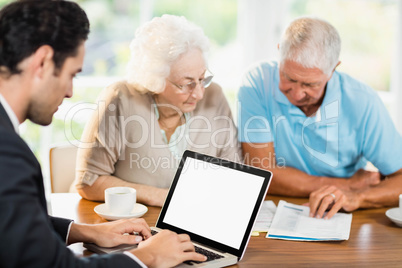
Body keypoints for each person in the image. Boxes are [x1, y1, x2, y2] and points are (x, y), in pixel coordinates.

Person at [0, 1, 206, 267]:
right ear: (42, 62)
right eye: (71, 74)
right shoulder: (8, 153)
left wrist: (84, 231)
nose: (70, 92)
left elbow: (12, 224)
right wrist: (146, 256)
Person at [237, 16, 402, 219]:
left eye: (310, 84)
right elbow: (261, 173)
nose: (296, 94)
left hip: (340, 212)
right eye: (288, 78)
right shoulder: (256, 82)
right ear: (279, 53)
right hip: (275, 211)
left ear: (333, 69)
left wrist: (357, 196)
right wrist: (346, 184)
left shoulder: (363, 101)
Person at [73, 14, 241, 207]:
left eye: (202, 79)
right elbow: (88, 182)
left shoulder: (214, 96)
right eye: (186, 84)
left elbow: (234, 173)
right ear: (155, 80)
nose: (199, 94)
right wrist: (159, 196)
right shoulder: (120, 99)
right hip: (131, 225)